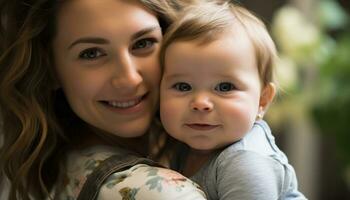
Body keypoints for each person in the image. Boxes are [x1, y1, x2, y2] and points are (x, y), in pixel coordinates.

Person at [0, 0, 206, 199]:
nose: (130, 79)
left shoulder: (63, 167)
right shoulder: (159, 192)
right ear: (50, 70)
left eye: (143, 43)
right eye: (91, 53)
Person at [159, 1, 307, 199]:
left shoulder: (245, 162)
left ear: (262, 101)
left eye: (225, 87)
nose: (201, 103)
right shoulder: (181, 145)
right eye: (183, 86)